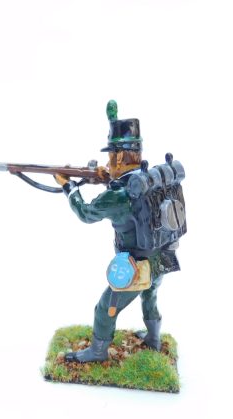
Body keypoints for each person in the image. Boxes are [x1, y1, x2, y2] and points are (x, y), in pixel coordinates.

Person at [54, 100, 184, 363]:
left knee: (104, 308)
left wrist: (69, 187)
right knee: (150, 295)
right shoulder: (148, 182)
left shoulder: (117, 196)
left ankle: (98, 352)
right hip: (162, 257)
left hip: (135, 266)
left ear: (119, 157)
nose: (108, 161)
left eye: (112, 156)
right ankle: (153, 338)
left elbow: (86, 213)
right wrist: (106, 178)